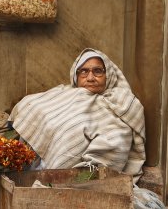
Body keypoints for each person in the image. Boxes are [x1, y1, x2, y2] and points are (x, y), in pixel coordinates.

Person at [8, 48, 146, 182]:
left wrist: (78, 179)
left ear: (108, 75)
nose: (90, 78)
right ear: (76, 75)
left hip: (72, 178)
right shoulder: (62, 93)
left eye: (97, 71)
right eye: (84, 72)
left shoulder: (117, 107)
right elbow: (29, 106)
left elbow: (114, 145)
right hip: (33, 168)